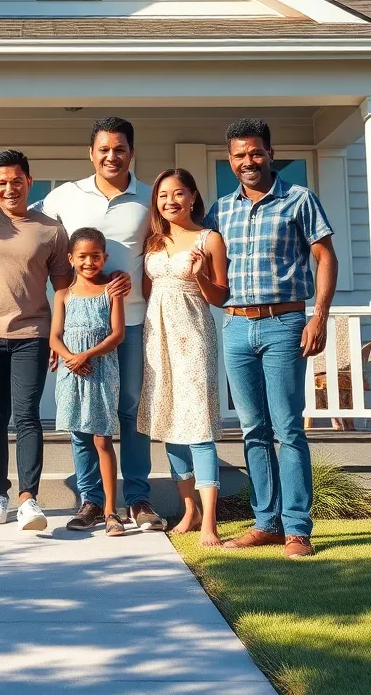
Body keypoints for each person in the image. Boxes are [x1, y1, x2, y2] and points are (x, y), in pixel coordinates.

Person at [205, 119, 338, 559]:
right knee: (252, 429)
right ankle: (266, 523)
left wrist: (318, 317)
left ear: (270, 153)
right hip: (236, 326)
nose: (249, 161)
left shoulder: (299, 199)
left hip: (284, 325)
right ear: (230, 159)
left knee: (287, 427)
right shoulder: (221, 210)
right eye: (240, 155)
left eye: (256, 152)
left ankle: (297, 528)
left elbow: (325, 257)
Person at [40, 116, 166, 532]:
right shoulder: (65, 197)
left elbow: (164, 247)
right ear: (91, 153)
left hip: (129, 324)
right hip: (77, 327)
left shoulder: (150, 198)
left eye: (120, 149)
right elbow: (22, 219)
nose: (112, 156)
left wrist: (141, 276)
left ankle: (138, 499)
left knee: (129, 411)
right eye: (104, 149)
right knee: (82, 418)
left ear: (132, 152)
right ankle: (91, 500)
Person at [0, 150, 72, 531]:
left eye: (16, 180)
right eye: (1, 182)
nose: (10, 188)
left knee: (27, 416)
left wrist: (57, 337)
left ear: (29, 181)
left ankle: (29, 499)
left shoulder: (51, 230)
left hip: (33, 335)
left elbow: (63, 290)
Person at [138, 169, 229, 545]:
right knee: (168, 420)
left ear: (193, 196)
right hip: (156, 338)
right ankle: (188, 508)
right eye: (162, 196)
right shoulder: (153, 242)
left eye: (178, 194)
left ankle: (210, 520)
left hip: (193, 336)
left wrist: (201, 275)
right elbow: (148, 292)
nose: (170, 201)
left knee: (198, 424)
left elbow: (221, 296)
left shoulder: (209, 239)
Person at [51, 227, 127, 536]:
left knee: (101, 438)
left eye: (96, 256)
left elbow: (117, 334)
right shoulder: (63, 295)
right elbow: (54, 337)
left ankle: (110, 509)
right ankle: (88, 503)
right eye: (82, 256)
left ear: (104, 257)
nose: (89, 262)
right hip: (72, 373)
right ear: (71, 258)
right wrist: (71, 356)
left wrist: (87, 356)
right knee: (79, 437)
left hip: (101, 372)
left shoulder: (112, 291)